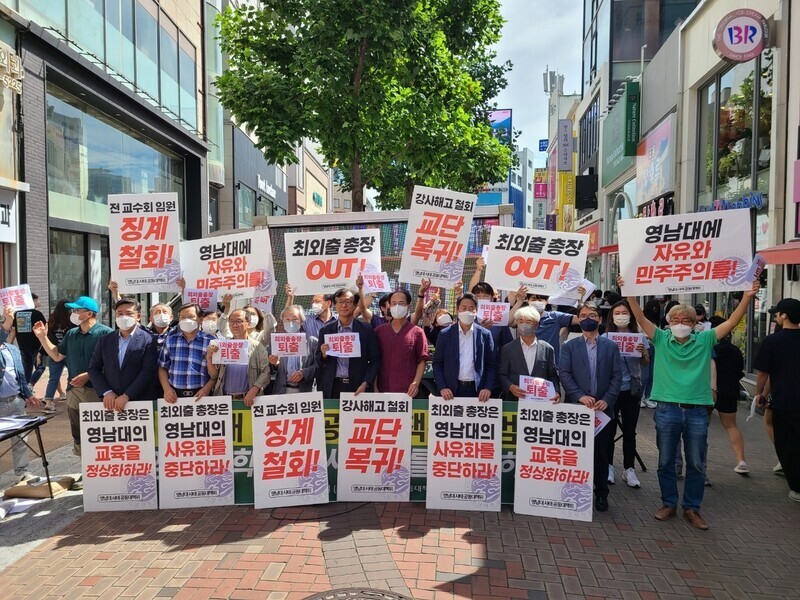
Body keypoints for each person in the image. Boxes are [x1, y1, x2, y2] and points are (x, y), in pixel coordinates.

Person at [624, 275, 758, 530]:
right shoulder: (661, 339)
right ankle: (668, 503)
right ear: (668, 322)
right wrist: (629, 292)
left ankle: (692, 508)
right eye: (675, 320)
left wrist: (748, 297)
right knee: (665, 461)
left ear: (696, 323)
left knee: (697, 462)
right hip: (666, 409)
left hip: (697, 410)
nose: (681, 324)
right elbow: (640, 318)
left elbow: (732, 321)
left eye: (686, 320)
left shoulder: (705, 340)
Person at [559, 302, 622, 512]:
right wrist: (579, 396)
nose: (588, 318)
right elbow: (564, 374)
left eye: (593, 315)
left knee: (601, 455)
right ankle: (574, 492)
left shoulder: (611, 346)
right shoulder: (569, 345)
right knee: (576, 454)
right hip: (577, 409)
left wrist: (608, 399)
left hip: (602, 411)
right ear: (578, 318)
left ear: (600, 319)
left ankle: (602, 494)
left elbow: (616, 376)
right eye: (584, 315)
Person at [33, 296, 113, 456]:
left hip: (99, 391)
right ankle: (84, 468)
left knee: (101, 431)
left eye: (77, 310)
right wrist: (42, 337)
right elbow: (57, 356)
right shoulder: (71, 334)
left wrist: (90, 375)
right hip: (74, 391)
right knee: (78, 433)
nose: (73, 313)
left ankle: (102, 468)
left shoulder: (106, 333)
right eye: (73, 310)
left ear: (89, 313)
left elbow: (113, 364)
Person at [753, 298, 800, 502]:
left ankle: (797, 487)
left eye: (777, 313)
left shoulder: (773, 341)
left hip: (785, 402)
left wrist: (759, 393)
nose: (775, 316)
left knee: (787, 444)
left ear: (784, 315)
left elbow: (764, 372)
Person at [603, 301, 649, 488]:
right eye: (617, 312)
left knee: (630, 431)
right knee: (609, 430)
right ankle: (608, 467)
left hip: (632, 389)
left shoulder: (639, 337)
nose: (621, 315)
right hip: (611, 390)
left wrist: (643, 353)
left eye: (624, 312)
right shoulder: (605, 337)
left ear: (630, 315)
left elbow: (645, 363)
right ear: (612, 316)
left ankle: (629, 469)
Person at [88, 299, 159, 412]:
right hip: (111, 402)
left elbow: (148, 371)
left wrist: (127, 395)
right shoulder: (105, 340)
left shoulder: (149, 339)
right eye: (120, 313)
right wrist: (107, 392)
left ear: (138, 316)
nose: (124, 317)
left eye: (129, 313)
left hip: (140, 402)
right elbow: (93, 369)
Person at [316, 288, 380, 399]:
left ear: (355, 305)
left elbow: (375, 360)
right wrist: (323, 355)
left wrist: (366, 382)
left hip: (359, 387)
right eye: (340, 302)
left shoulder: (366, 330)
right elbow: (319, 362)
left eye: (348, 301)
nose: (344, 305)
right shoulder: (326, 331)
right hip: (333, 387)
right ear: (335, 306)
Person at [432, 293, 496, 402]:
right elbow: (437, 363)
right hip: (451, 391)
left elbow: (492, 365)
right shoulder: (445, 334)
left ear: (476, 311)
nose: (467, 311)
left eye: (471, 308)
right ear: (457, 311)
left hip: (478, 391)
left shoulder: (485, 334)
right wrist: (442, 387)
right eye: (464, 308)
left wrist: (487, 387)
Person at [705, 315, 748, 475]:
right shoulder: (735, 350)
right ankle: (741, 460)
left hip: (707, 391)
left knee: (702, 429)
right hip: (730, 390)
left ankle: (702, 467)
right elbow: (740, 371)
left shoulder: (707, 347)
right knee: (731, 426)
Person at [208, 308, 271, 406]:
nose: (234, 324)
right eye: (231, 321)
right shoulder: (222, 346)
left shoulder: (258, 347)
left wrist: (254, 389)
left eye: (239, 321)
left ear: (248, 323)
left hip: (249, 400)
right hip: (224, 400)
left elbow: (266, 372)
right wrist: (209, 357)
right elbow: (214, 375)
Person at [498, 305, 559, 403]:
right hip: (515, 401)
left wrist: (556, 391)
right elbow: (502, 375)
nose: (524, 325)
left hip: (541, 401)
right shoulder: (508, 349)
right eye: (520, 321)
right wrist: (511, 387)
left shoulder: (547, 349)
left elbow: (552, 375)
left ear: (536, 324)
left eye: (528, 322)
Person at [374, 290, 429, 396]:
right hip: (382, 389)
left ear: (408, 307)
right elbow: (374, 360)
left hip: (407, 391)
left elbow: (422, 360)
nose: (397, 306)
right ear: (389, 306)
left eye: (401, 303)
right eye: (394, 303)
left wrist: (415, 383)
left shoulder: (417, 332)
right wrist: (375, 386)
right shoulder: (379, 331)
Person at [0, 336, 40, 480]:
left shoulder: (12, 349)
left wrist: (27, 394)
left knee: (21, 438)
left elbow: (20, 375)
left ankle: (21, 472)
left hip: (16, 400)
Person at [158, 303, 216, 403]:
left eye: (190, 316)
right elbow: (162, 367)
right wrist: (166, 389)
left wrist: (206, 389)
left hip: (202, 395)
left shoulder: (211, 341)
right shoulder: (171, 340)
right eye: (182, 317)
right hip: (174, 395)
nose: (186, 320)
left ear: (200, 319)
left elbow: (216, 374)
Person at [271, 305, 318, 394]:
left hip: (305, 391)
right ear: (283, 321)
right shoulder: (277, 341)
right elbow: (271, 369)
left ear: (301, 321)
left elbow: (319, 365)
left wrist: (304, 373)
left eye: (295, 319)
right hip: (282, 391)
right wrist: (275, 364)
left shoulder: (312, 342)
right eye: (287, 319)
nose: (291, 323)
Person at [2, 293, 47, 385]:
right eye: (37, 300)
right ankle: (30, 385)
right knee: (40, 367)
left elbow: (13, 331)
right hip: (36, 345)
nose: (39, 302)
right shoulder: (37, 314)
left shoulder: (17, 314)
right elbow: (45, 330)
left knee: (26, 368)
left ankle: (25, 387)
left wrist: (9, 345)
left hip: (22, 345)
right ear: (32, 301)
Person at [39, 300, 73, 414]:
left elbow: (47, 337)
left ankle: (48, 402)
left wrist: (41, 352)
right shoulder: (71, 321)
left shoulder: (51, 320)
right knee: (73, 376)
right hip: (69, 352)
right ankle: (71, 400)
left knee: (53, 378)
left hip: (54, 351)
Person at [639, 299, 662, 409]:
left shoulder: (657, 321)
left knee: (652, 375)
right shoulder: (642, 321)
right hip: (646, 347)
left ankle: (648, 396)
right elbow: (639, 335)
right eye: (653, 309)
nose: (655, 310)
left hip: (655, 347)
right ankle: (640, 397)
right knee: (645, 376)